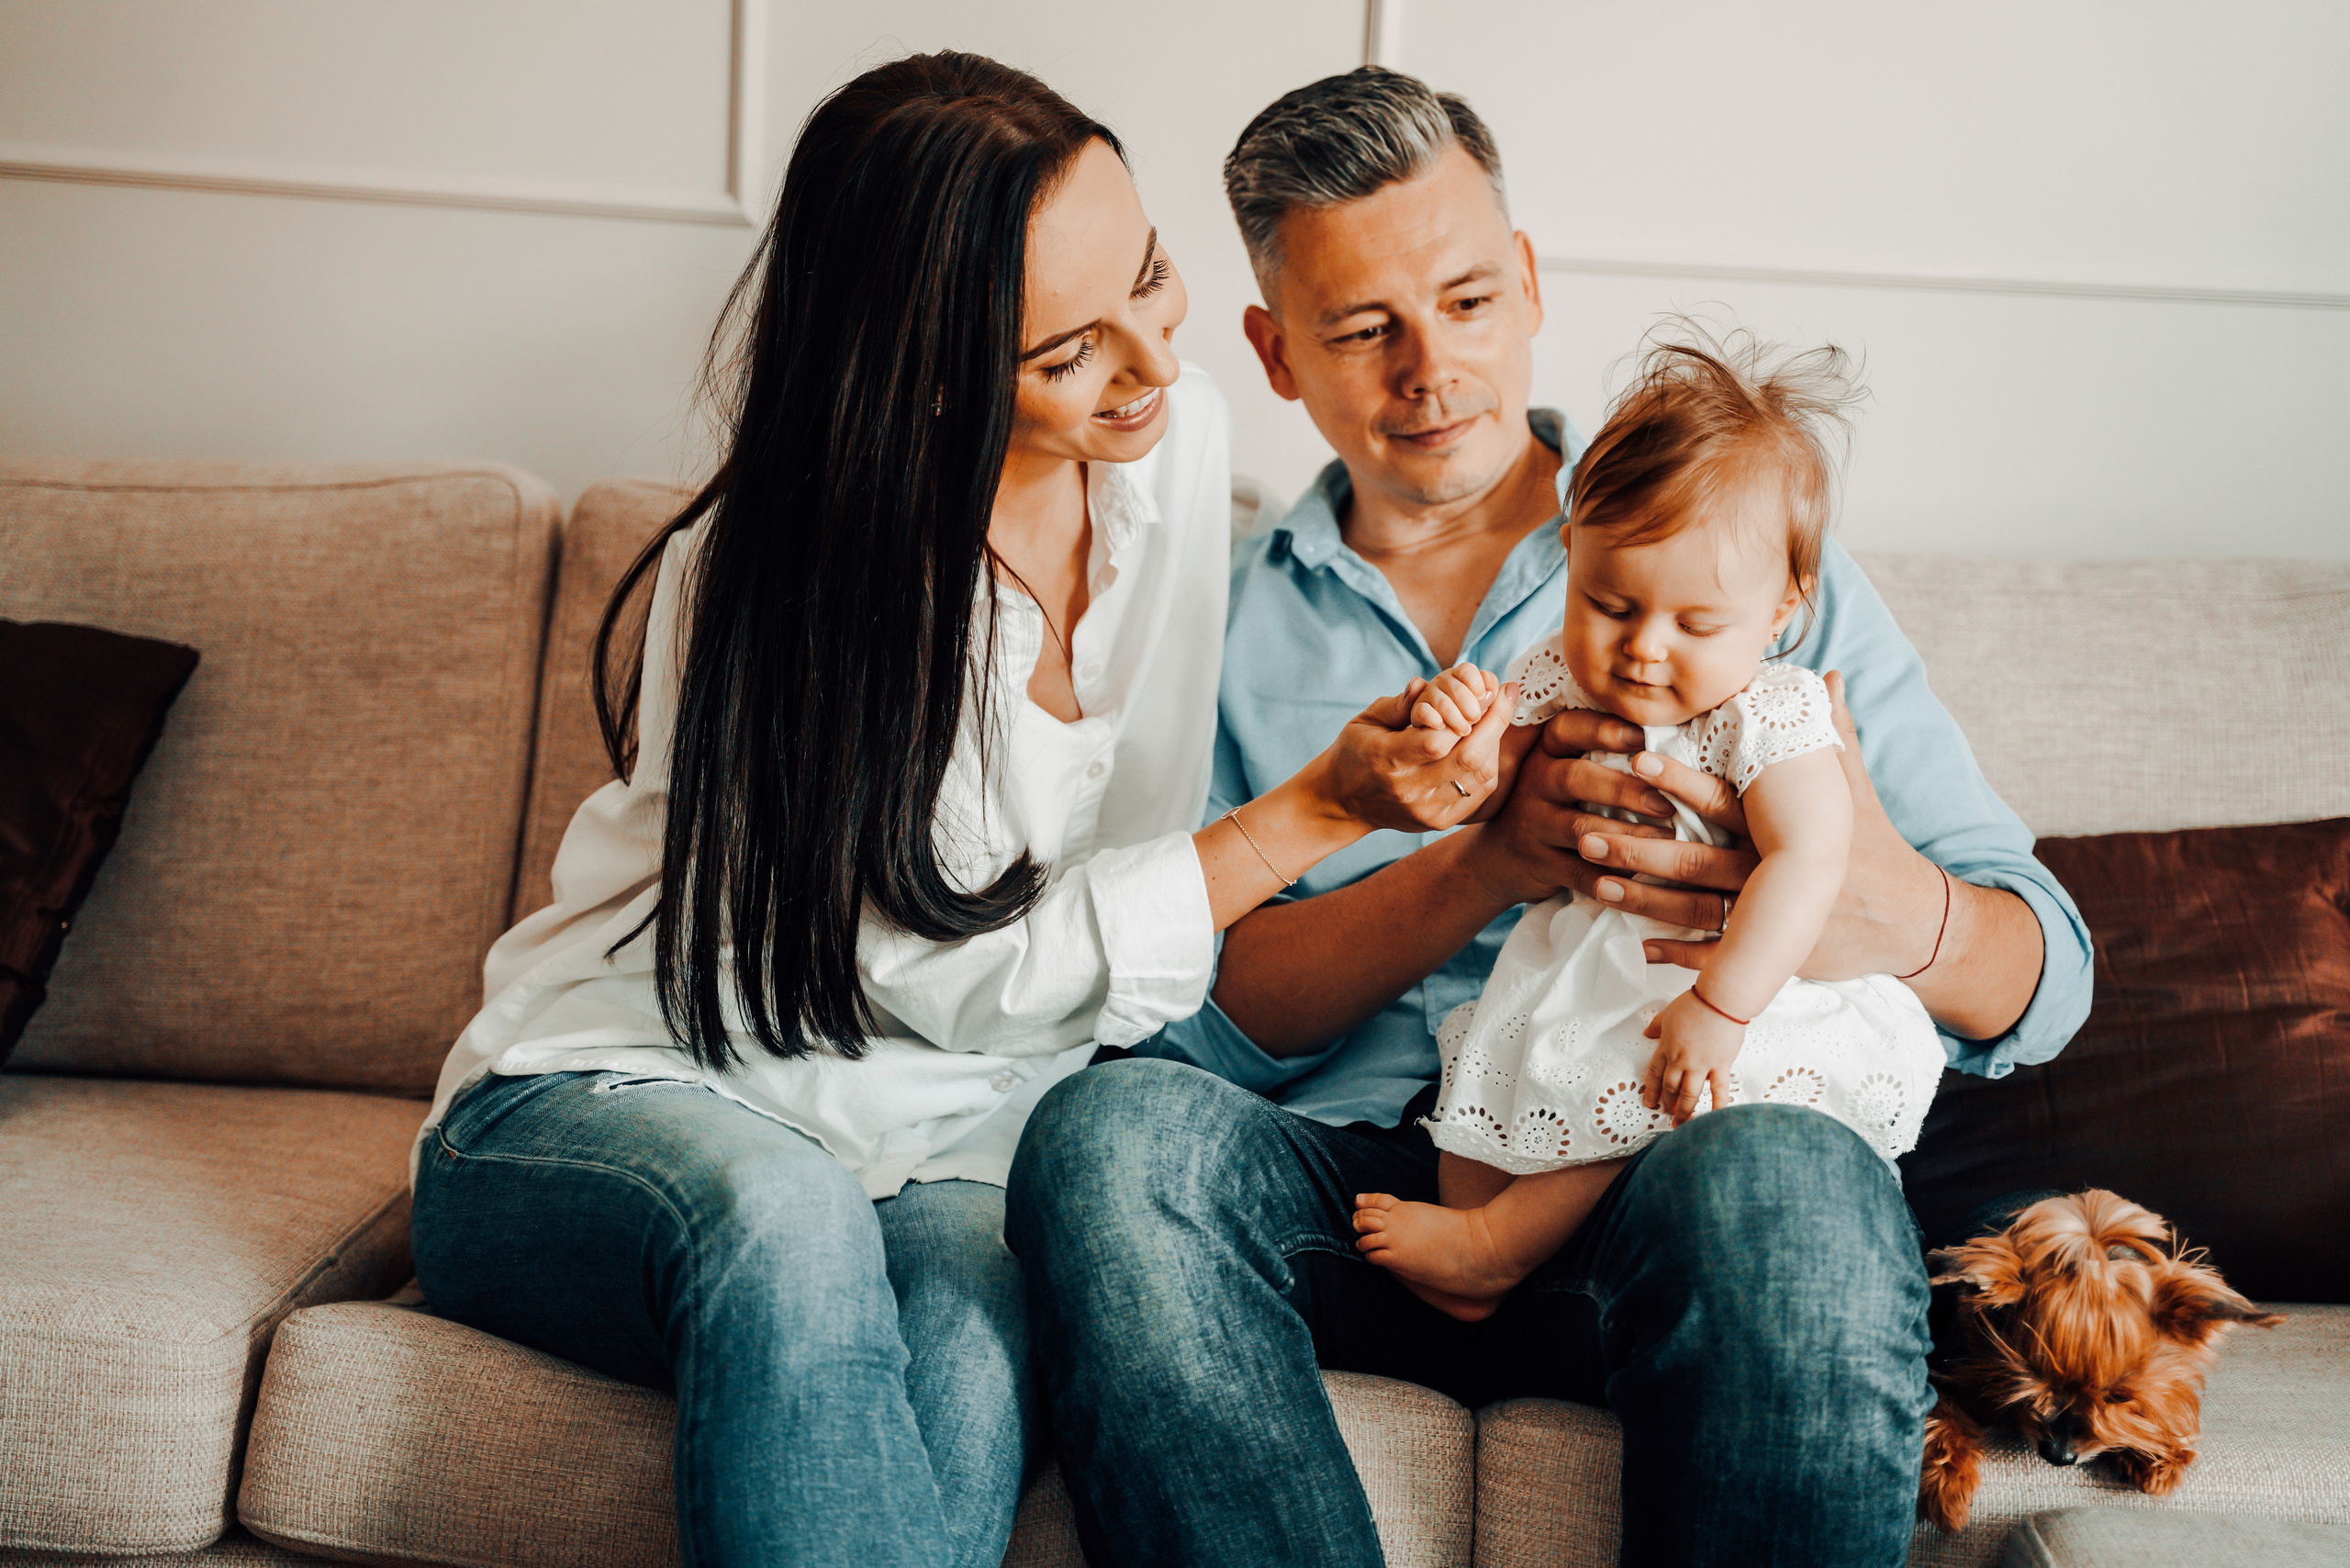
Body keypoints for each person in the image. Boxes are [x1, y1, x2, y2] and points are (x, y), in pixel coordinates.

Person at [407, 54, 1494, 1568]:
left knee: (971, 1385)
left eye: (1153, 279)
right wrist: (1315, 813)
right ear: (929, 367)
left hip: (957, 1133)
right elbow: (928, 965)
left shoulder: (1168, 457)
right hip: (626, 1092)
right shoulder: (789, 576)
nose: (1151, 366)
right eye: (1066, 350)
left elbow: (1079, 918)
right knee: (782, 1227)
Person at [1006, 66, 2093, 1566]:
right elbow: (1185, 1015)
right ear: (1272, 354)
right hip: (1364, 1190)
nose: (1431, 371)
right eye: (1361, 328)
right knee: (1107, 1135)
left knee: (1789, 1171)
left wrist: (1853, 894)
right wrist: (1482, 863)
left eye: (1462, 301)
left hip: (1663, 1172)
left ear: (1526, 283)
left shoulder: (1737, 561)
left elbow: (2047, 973)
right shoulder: (1206, 615)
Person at [1352, 329, 1949, 1318]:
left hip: (1718, 982)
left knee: (1635, 1104)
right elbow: (1495, 768)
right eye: (1608, 602)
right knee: (1479, 1121)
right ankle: (1476, 1250)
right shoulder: (1556, 664)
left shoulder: (1773, 711)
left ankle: (1496, 1250)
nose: (1641, 649)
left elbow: (1808, 857)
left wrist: (1722, 1006)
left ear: (1783, 609)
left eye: (1695, 624)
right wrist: (1465, 740)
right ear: (1570, 554)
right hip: (1577, 965)